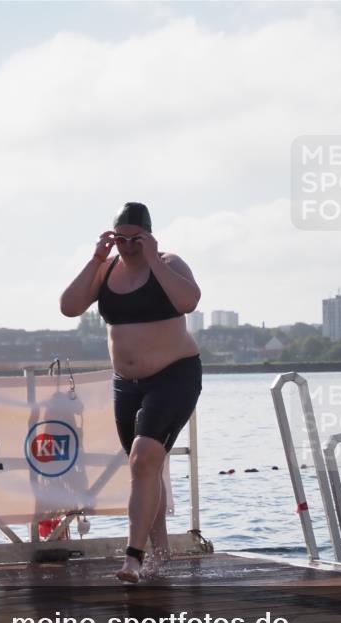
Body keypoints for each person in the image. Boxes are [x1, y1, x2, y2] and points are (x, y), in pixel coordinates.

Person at [60, 202, 201, 583]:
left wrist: (153, 257)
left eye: (135, 239)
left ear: (149, 236)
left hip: (174, 376)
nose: (127, 246)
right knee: (144, 468)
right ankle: (160, 554)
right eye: (120, 238)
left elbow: (189, 301)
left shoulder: (169, 264)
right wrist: (96, 258)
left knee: (143, 460)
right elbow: (69, 307)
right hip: (126, 384)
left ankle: (133, 559)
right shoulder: (107, 270)